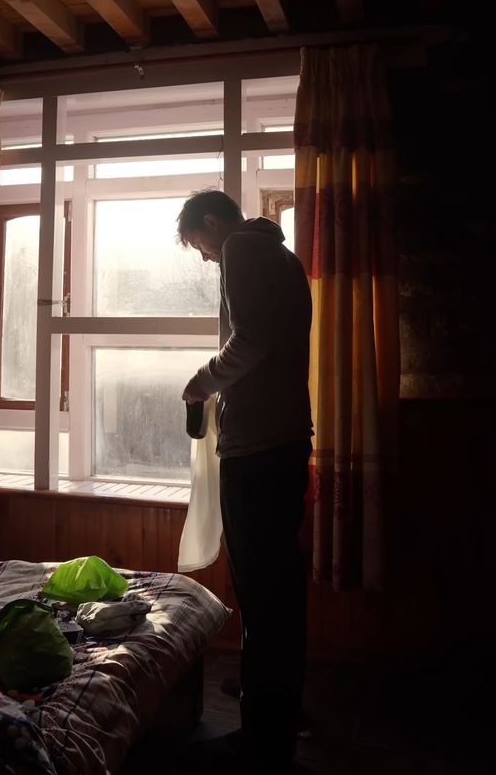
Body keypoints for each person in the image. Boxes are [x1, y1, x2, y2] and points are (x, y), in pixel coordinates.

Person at [177, 189, 312, 771]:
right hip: (283, 441)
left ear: (212, 224)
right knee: (279, 591)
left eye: (199, 245)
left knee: (261, 593)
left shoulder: (240, 248)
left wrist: (201, 381)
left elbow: (250, 339)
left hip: (257, 450)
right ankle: (273, 710)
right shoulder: (282, 254)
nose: (206, 257)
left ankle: (262, 741)